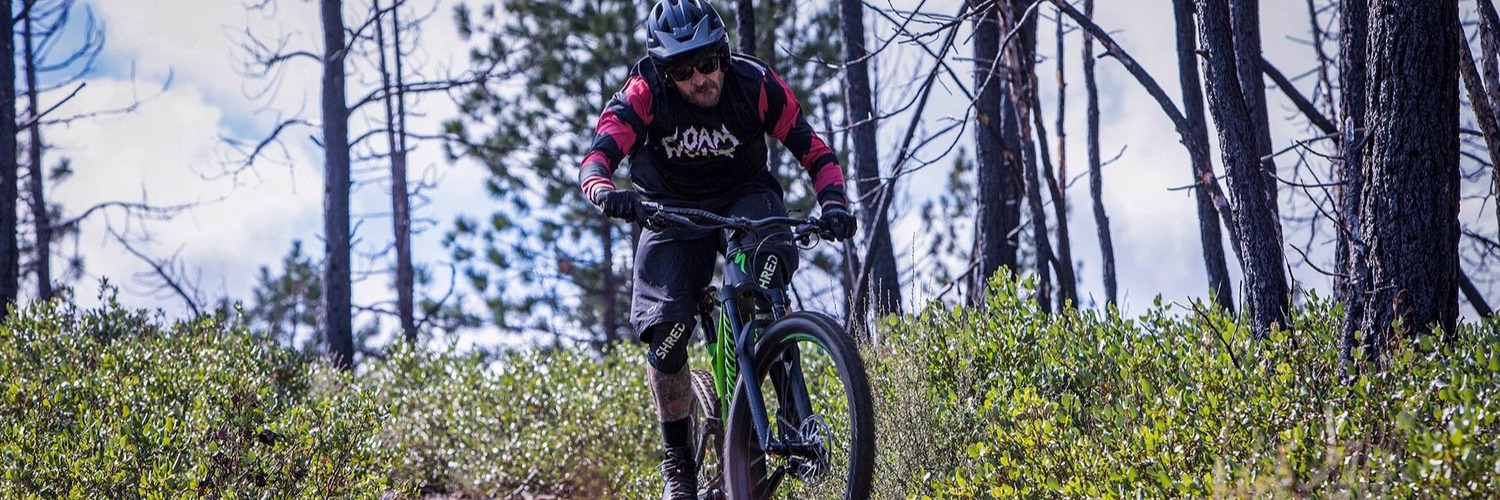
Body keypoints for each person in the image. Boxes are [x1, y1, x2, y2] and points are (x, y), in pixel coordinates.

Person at [576, 0, 858, 497]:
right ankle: (678, 462)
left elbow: (813, 149)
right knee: (665, 329)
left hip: (745, 194)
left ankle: (791, 406)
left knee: (768, 264)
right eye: (683, 70)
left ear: (723, 55)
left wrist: (833, 201)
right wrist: (605, 191)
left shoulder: (755, 84)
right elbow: (598, 157)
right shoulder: (643, 94)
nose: (699, 78)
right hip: (669, 208)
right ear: (665, 72)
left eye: (707, 63)